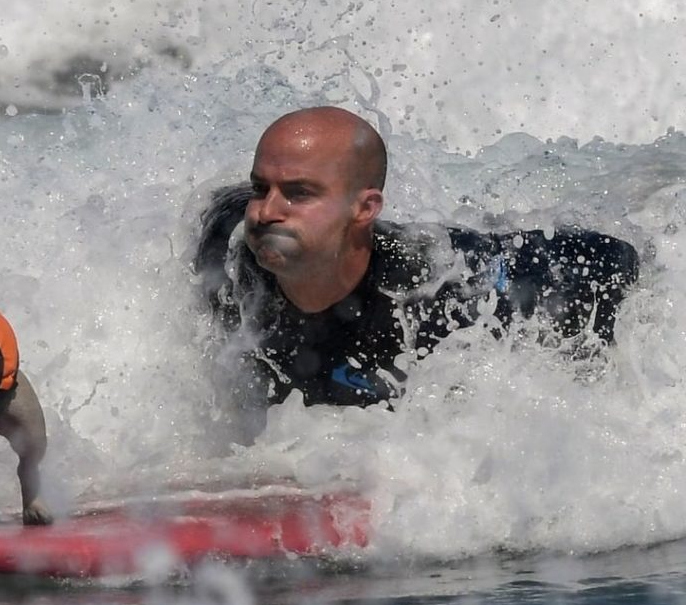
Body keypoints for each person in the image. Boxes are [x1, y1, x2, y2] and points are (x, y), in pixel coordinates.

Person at [193, 107, 640, 414]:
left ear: (365, 209)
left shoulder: (438, 288)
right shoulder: (230, 259)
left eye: (299, 193)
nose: (266, 211)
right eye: (260, 188)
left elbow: (613, 260)